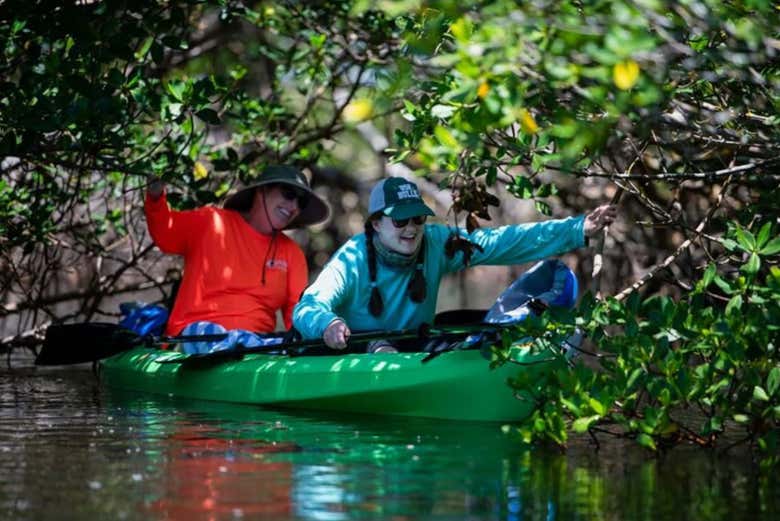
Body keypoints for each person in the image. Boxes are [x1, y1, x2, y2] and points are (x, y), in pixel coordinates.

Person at [292, 176, 616, 351]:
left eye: (417, 218)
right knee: (379, 345)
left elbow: (503, 241)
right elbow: (307, 307)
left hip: (413, 344)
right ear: (376, 224)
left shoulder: (435, 242)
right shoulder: (353, 257)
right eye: (400, 220)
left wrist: (577, 229)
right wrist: (328, 326)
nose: (411, 228)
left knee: (473, 331)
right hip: (360, 349)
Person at [145, 165, 330, 340]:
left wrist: (326, 329)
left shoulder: (292, 253)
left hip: (253, 348)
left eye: (301, 201)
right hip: (195, 337)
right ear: (262, 191)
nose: (293, 206)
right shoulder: (212, 221)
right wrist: (155, 196)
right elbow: (165, 233)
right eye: (289, 194)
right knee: (225, 341)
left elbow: (297, 316)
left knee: (272, 347)